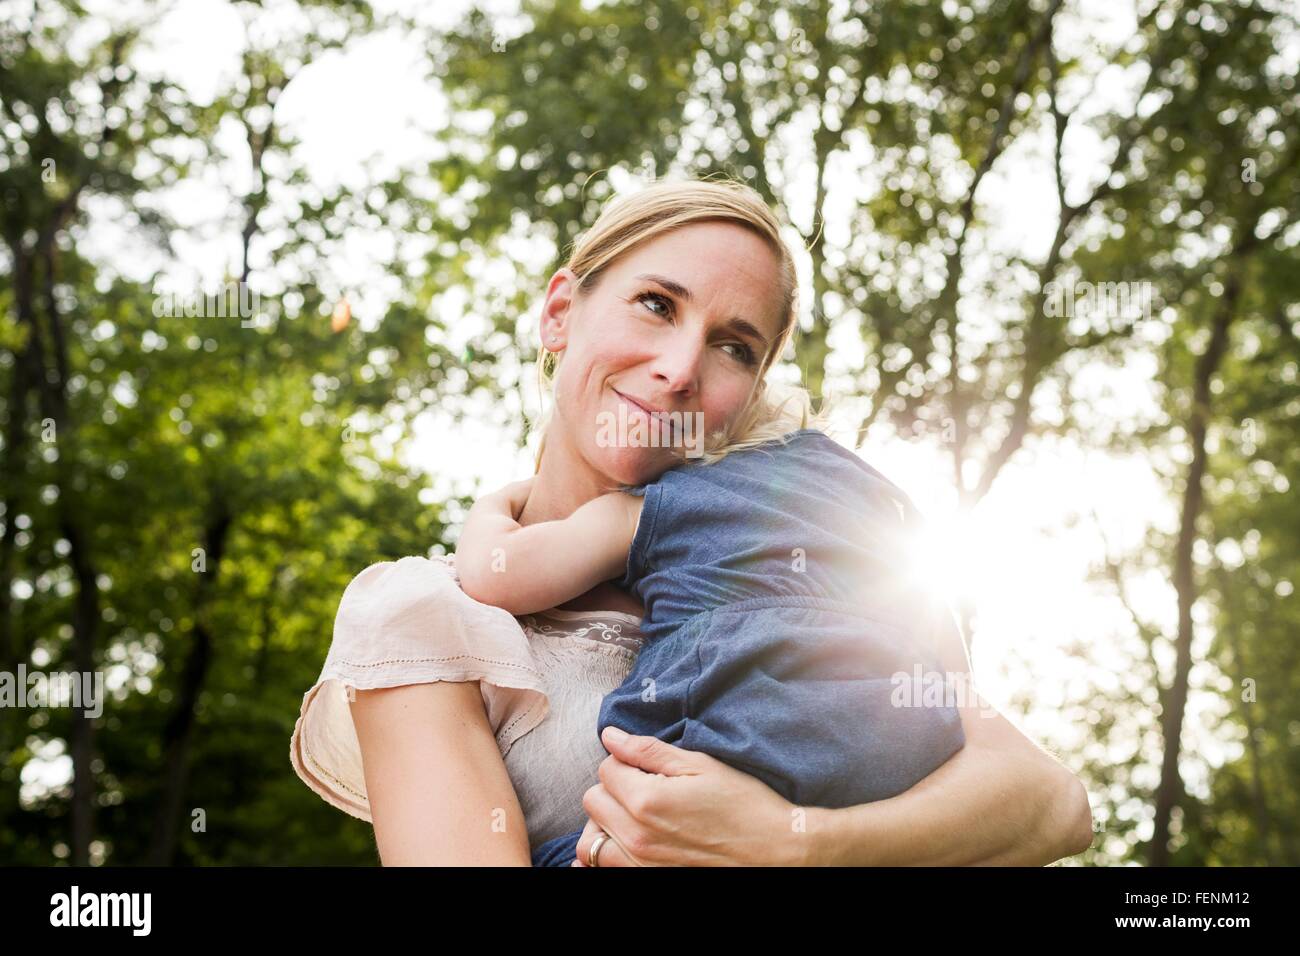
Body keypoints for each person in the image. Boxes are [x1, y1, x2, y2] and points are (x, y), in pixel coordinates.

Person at [289, 177, 1094, 866]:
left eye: (735, 348)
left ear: (755, 389)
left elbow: (1050, 801)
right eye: (654, 304)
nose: (679, 370)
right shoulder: (427, 616)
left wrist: (793, 840)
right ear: (561, 313)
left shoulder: (811, 559)